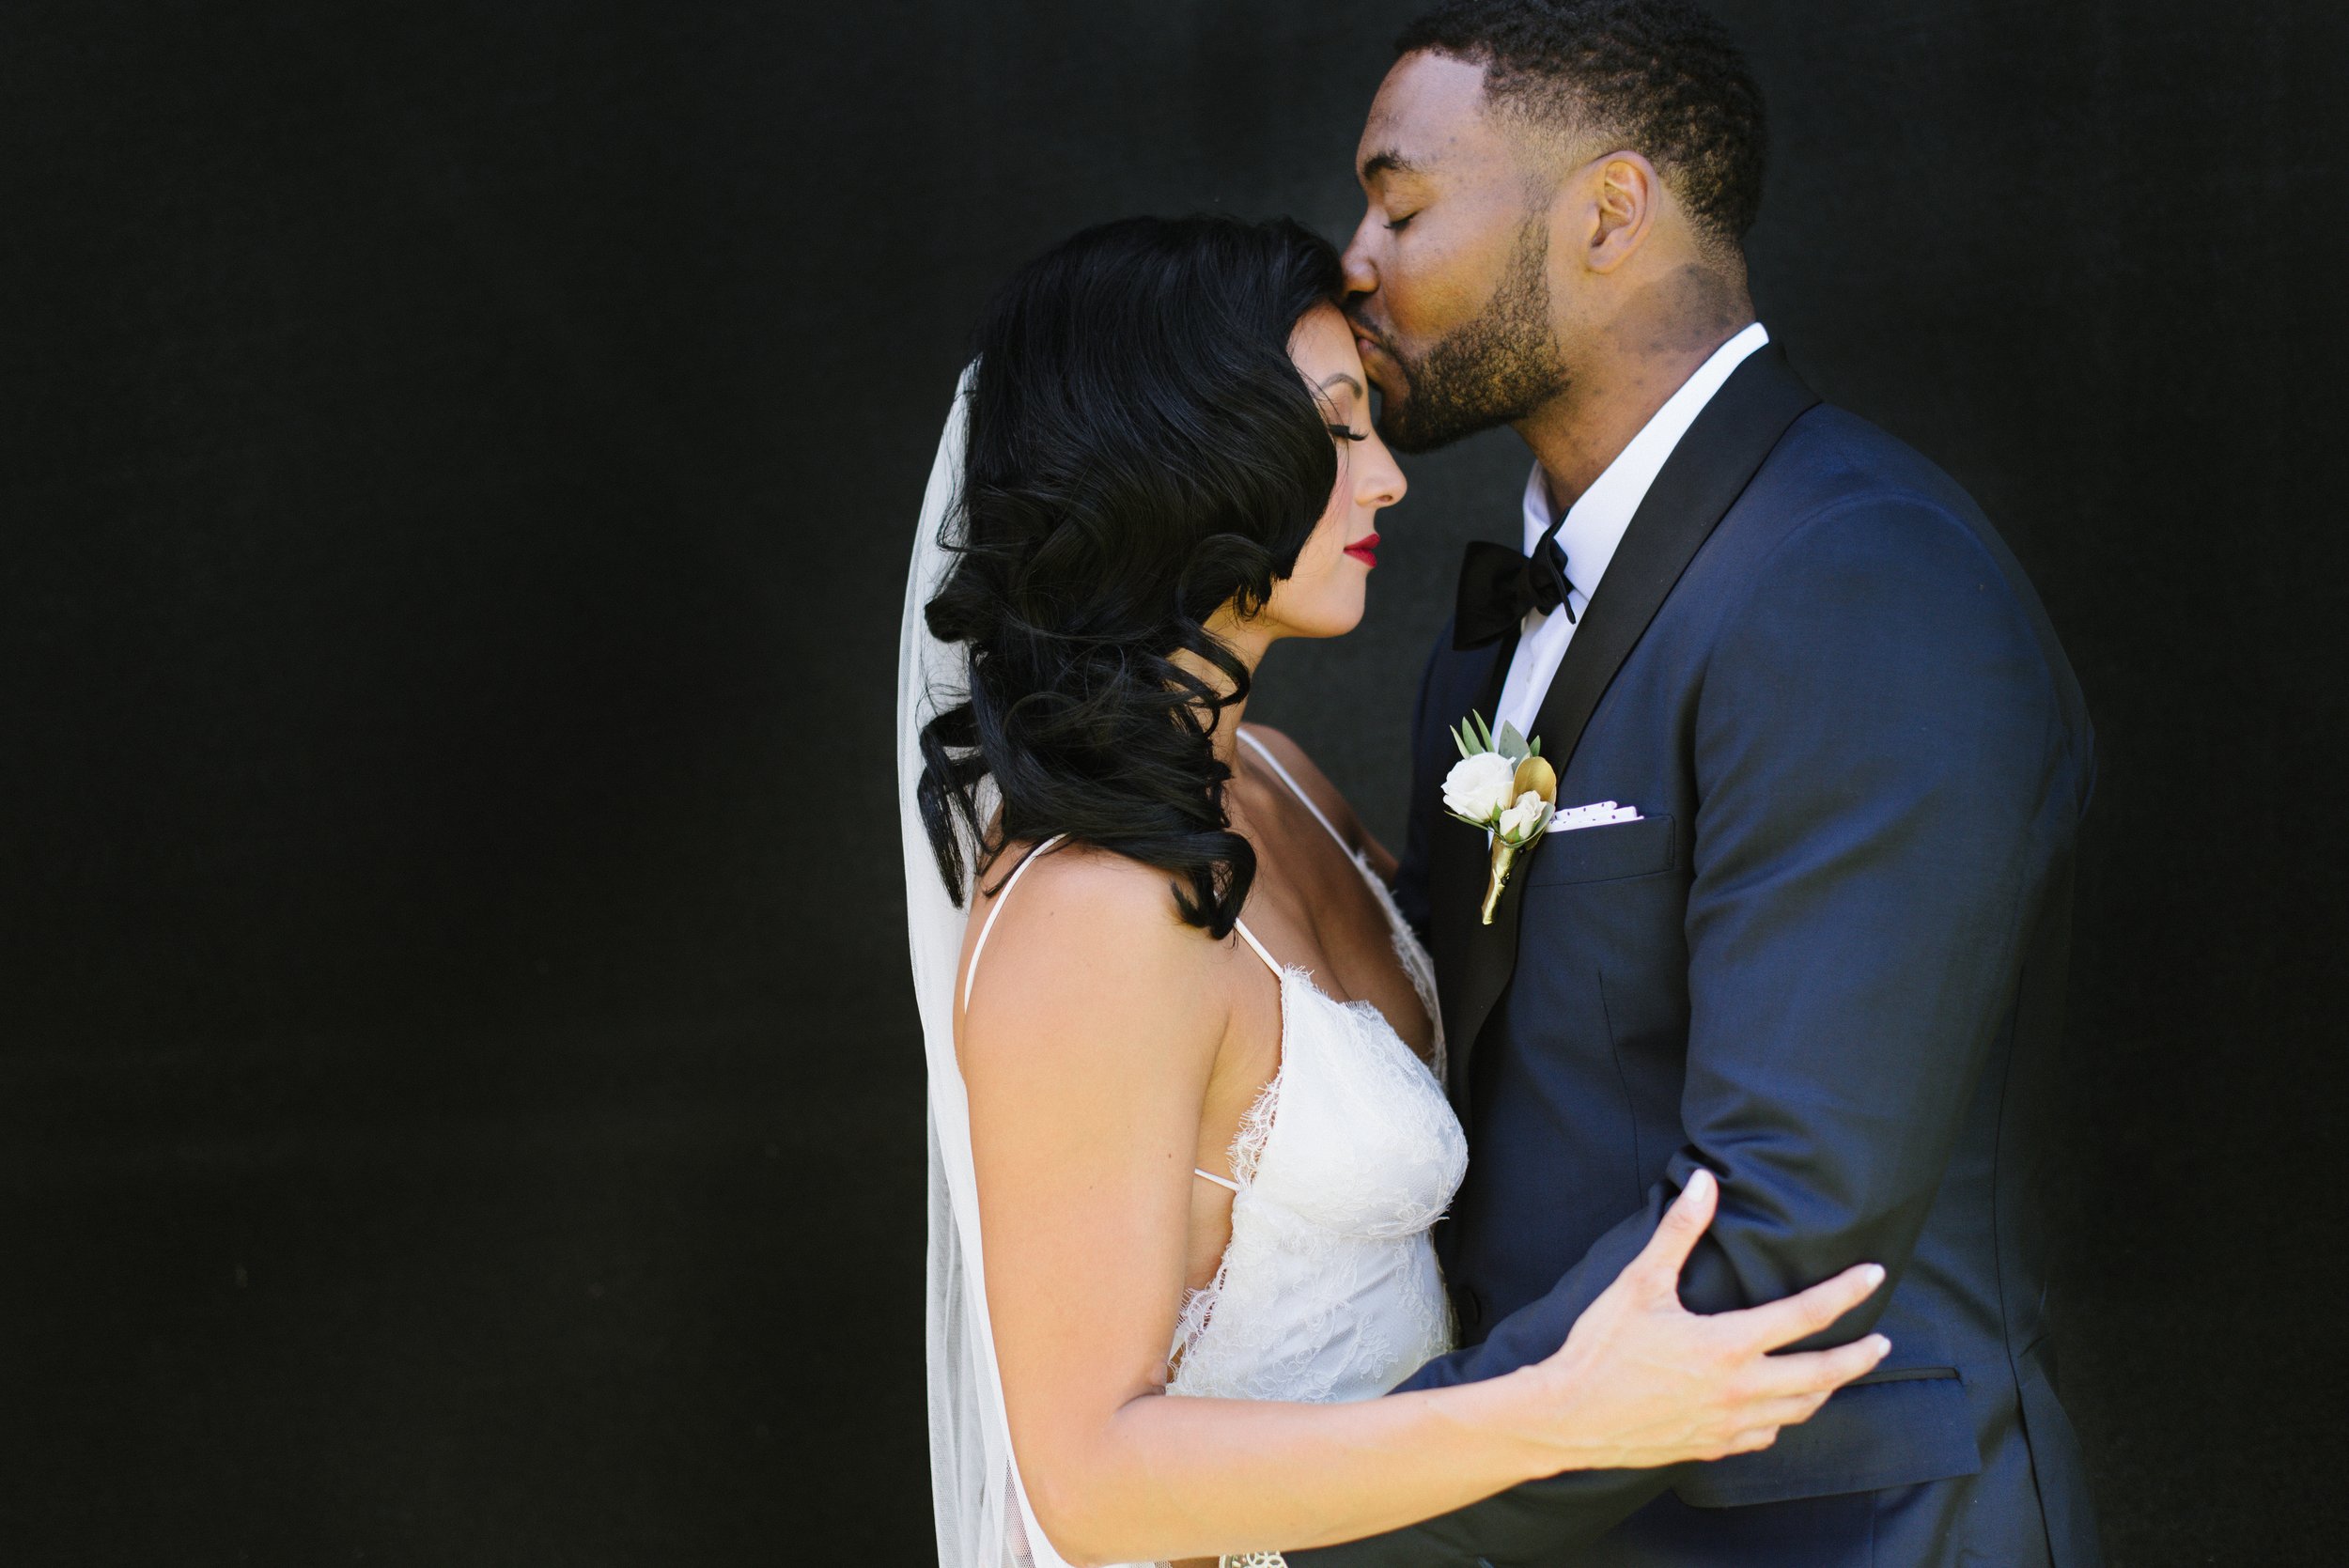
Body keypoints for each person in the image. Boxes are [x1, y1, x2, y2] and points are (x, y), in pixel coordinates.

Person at [895, 213, 1890, 1568]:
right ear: (1186, 451)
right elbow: (1088, 1472)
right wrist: (1559, 1413)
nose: (1389, 479)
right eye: (1339, 426)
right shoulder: (1094, 914)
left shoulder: (1281, 783)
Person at [1283, 3, 2102, 1565]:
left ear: (1608, 211)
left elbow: (1779, 1222)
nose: (1357, 258)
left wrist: (1324, 1523)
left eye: (1400, 204)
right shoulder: (1497, 622)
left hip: (1836, 1529)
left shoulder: (1861, 578)